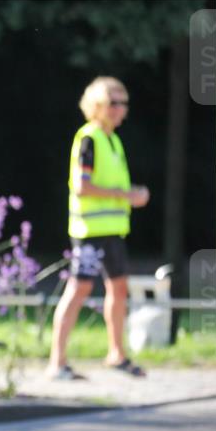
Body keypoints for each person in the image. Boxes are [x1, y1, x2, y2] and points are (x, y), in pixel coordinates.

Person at [48, 76, 150, 380]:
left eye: (124, 103)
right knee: (79, 288)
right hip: (89, 232)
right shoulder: (89, 138)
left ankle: (116, 354)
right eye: (114, 103)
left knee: (119, 288)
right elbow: (82, 186)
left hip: (112, 230)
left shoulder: (113, 140)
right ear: (97, 106)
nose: (121, 109)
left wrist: (129, 194)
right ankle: (57, 362)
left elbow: (109, 185)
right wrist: (128, 196)